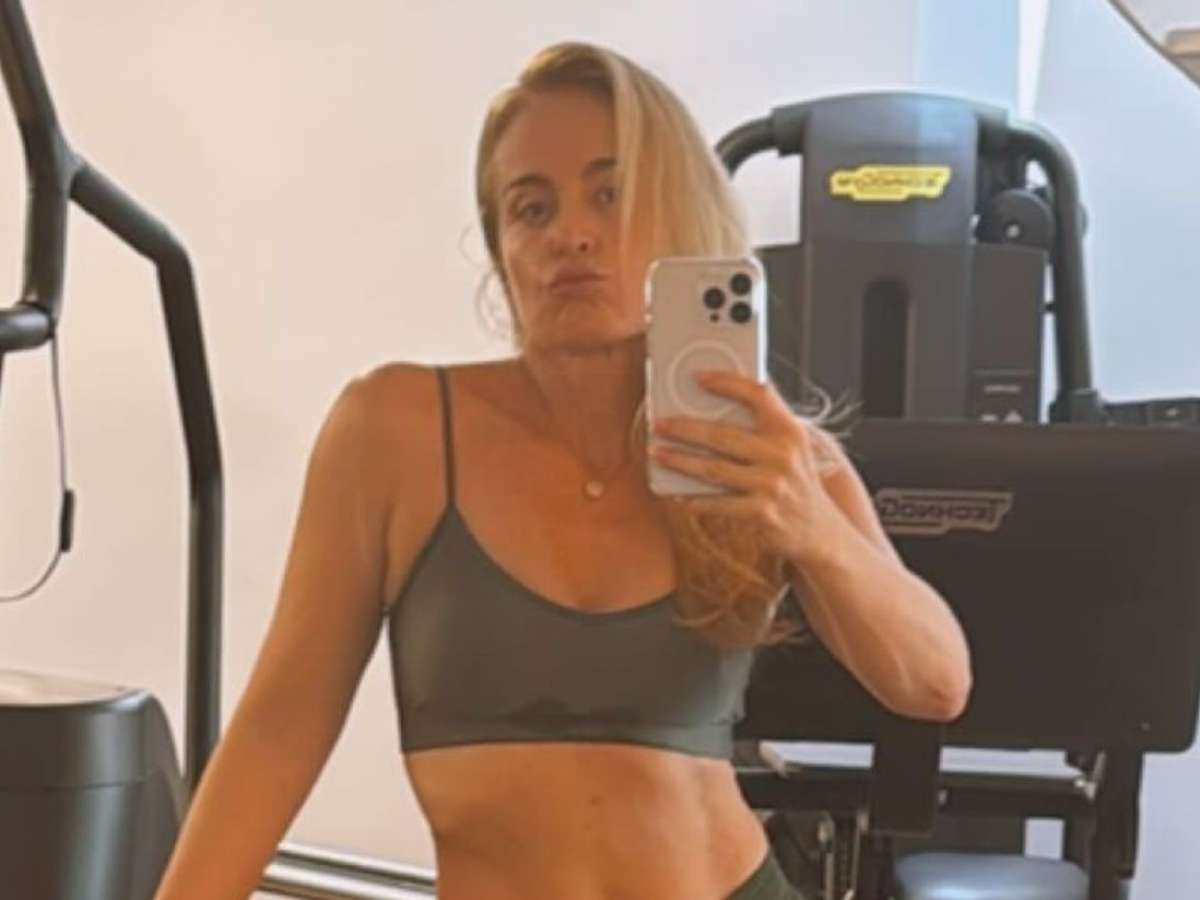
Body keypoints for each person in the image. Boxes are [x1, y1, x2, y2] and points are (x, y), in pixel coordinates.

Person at [152, 41, 972, 900]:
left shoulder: (769, 454)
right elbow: (281, 726)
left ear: (678, 211)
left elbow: (935, 683)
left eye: (609, 194)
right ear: (501, 248)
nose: (569, 234)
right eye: (531, 208)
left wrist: (814, 530)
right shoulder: (392, 430)